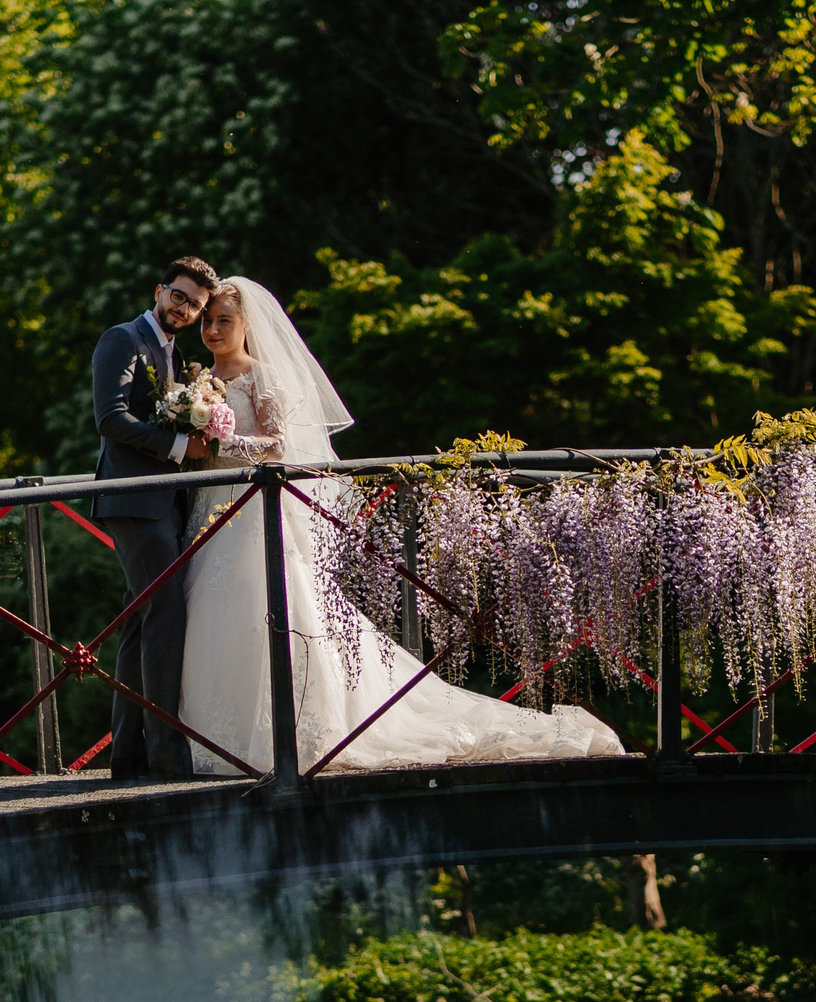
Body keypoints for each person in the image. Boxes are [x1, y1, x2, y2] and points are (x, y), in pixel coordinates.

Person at [176, 277, 623, 776]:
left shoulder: (262, 378)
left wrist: (221, 444)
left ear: (246, 326)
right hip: (212, 513)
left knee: (262, 606)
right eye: (209, 321)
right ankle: (215, 737)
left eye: (224, 321)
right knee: (213, 613)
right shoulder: (198, 380)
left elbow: (278, 447)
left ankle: (286, 734)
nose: (213, 330)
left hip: (256, 513)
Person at [91, 257, 220, 779]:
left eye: (196, 305)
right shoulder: (121, 339)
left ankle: (127, 754)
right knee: (165, 617)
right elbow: (110, 417)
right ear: (159, 289)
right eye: (180, 297)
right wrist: (178, 446)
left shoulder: (176, 353)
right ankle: (168, 759)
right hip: (133, 501)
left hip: (164, 503)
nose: (185, 309)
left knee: (142, 626)